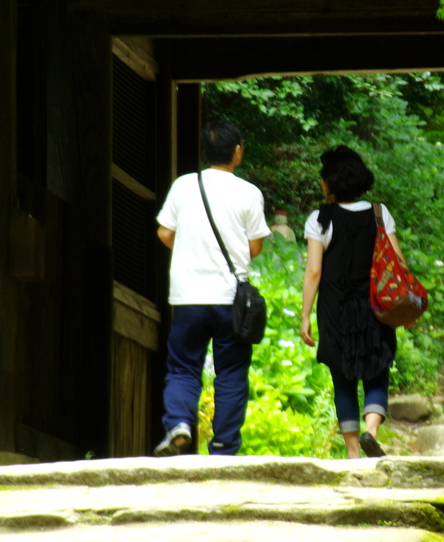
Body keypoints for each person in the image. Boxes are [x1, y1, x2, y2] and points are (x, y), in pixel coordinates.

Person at [153, 120, 271, 456]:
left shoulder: (183, 186)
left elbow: (164, 233)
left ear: (206, 151)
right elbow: (256, 247)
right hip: (230, 299)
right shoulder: (249, 192)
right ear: (238, 152)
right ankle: (223, 445)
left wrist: (191, 246)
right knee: (231, 372)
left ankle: (177, 423)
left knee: (183, 366)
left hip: (188, 296)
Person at [299, 145, 409, 459]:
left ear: (332, 181)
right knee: (378, 370)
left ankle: (351, 453)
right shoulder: (379, 213)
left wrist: (305, 315)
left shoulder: (320, 218)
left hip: (335, 309)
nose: (321, 183)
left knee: (342, 378)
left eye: (323, 177)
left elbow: (315, 270)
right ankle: (371, 431)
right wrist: (406, 306)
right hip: (377, 307)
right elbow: (397, 262)